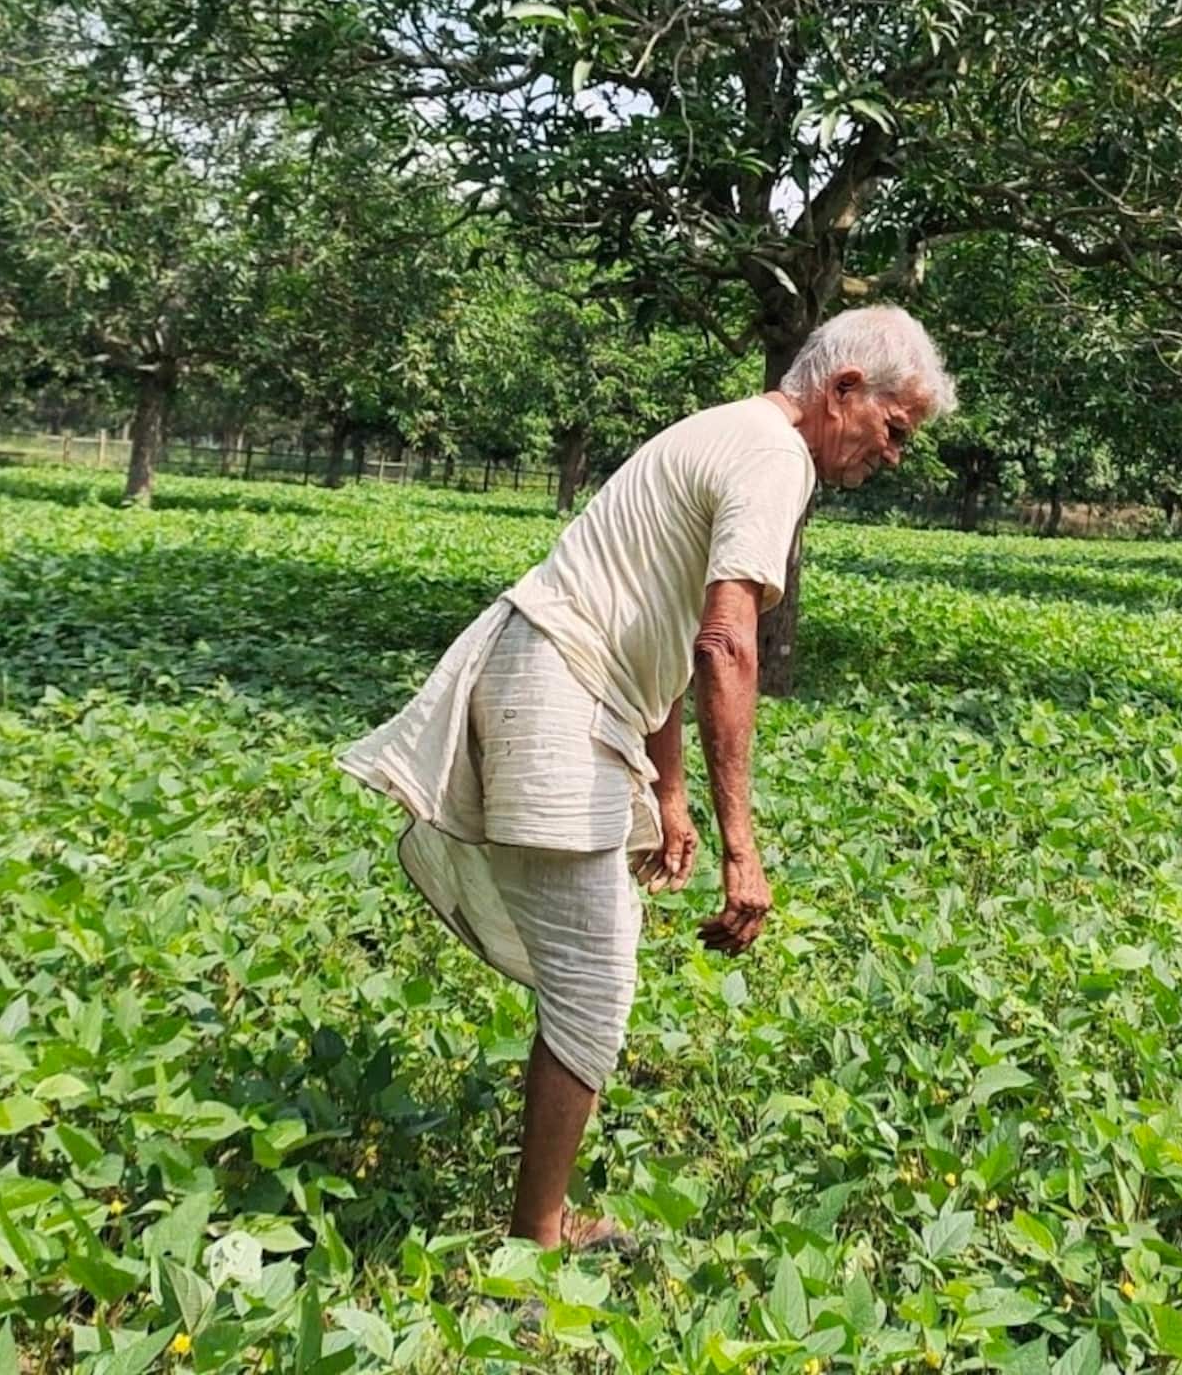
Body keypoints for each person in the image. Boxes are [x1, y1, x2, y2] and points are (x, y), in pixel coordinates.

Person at [340, 304, 956, 1250]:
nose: (893, 455)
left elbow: (660, 634)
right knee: (593, 987)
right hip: (556, 690)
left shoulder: (728, 429)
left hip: (551, 676)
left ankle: (538, 1223)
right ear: (843, 392)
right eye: (894, 430)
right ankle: (535, 1244)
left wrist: (670, 794)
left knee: (599, 951)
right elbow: (723, 644)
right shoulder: (772, 457)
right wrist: (742, 851)